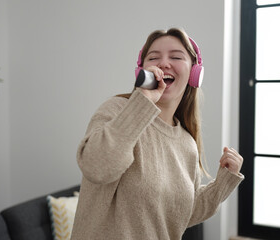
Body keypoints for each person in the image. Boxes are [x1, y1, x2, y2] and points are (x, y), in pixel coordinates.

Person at [70, 27, 244, 240]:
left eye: (176, 56)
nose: (163, 63)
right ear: (140, 72)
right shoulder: (117, 110)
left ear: (194, 73)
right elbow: (96, 167)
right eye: (154, 58)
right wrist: (142, 100)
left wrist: (223, 183)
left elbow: (182, 213)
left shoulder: (187, 143)